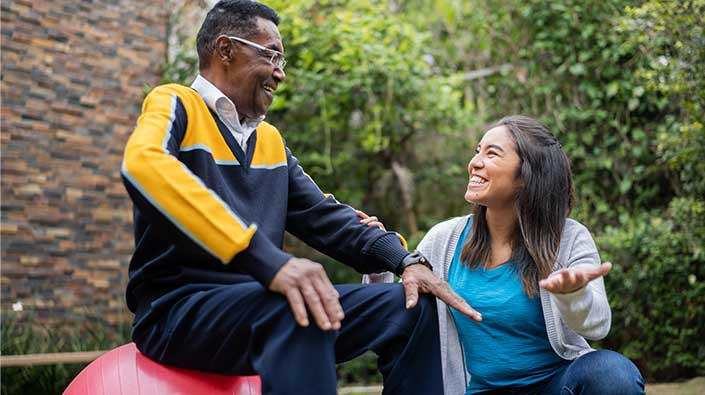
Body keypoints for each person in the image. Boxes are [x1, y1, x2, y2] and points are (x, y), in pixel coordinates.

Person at [120, 1, 479, 394]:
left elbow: (326, 217)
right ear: (225, 49)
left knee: (411, 307)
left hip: (263, 308)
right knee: (300, 303)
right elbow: (143, 165)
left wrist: (405, 261)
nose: (281, 72)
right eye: (271, 54)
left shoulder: (268, 141)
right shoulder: (174, 103)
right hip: (178, 312)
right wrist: (270, 263)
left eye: (282, 59)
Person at [362, 115, 645, 394]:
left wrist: (573, 295)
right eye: (477, 152)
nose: (474, 163)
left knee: (612, 374)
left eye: (492, 154)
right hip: (479, 390)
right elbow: (401, 320)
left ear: (527, 176)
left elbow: (597, 326)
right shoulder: (443, 240)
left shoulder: (569, 238)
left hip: (557, 386)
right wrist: (378, 268)